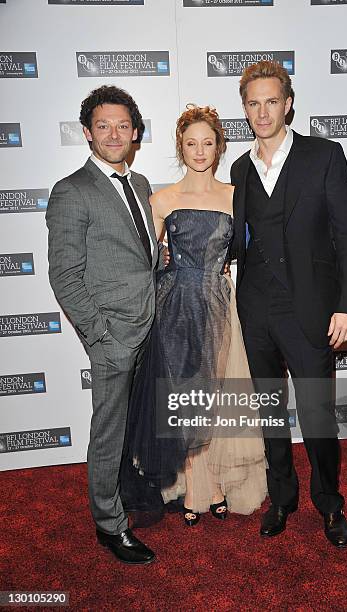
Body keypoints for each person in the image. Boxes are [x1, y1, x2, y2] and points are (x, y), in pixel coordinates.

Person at [230, 61, 347, 547]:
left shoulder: (324, 156)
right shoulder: (240, 168)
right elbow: (242, 238)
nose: (262, 112)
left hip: (309, 310)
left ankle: (329, 502)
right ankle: (281, 496)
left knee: (316, 414)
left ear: (288, 103)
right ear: (244, 108)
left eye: (271, 101)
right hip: (256, 310)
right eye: (252, 103)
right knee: (270, 411)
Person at [120, 105, 267, 526]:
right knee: (184, 397)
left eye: (207, 143)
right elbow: (141, 261)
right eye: (191, 143)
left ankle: (216, 481)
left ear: (219, 147)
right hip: (175, 307)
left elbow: (252, 250)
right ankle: (192, 483)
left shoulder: (237, 196)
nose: (199, 151)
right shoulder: (162, 200)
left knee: (217, 396)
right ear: (180, 148)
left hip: (220, 304)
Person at [46, 85, 158, 564]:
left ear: (135, 132)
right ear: (88, 133)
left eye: (123, 125)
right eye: (103, 125)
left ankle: (132, 494)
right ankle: (110, 526)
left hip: (151, 326)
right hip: (113, 335)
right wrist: (101, 336)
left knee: (138, 427)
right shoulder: (72, 190)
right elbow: (64, 276)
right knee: (109, 433)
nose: (114, 133)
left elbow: (138, 255)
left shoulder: (142, 184)